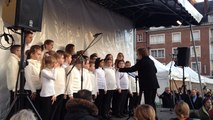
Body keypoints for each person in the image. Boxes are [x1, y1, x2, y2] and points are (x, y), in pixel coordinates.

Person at [119, 48, 160, 113]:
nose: (137, 55)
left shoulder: (141, 61)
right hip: (154, 84)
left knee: (148, 103)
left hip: (147, 85)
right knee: (152, 102)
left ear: (140, 54)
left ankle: (148, 117)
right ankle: (154, 116)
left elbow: (132, 69)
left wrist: (120, 69)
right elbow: (155, 70)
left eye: (137, 54)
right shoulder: (151, 61)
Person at [24, 45, 42, 111]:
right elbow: (28, 78)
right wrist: (33, 90)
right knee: (30, 110)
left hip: (38, 89)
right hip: (30, 90)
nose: (40, 56)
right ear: (32, 54)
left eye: (40, 54)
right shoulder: (28, 64)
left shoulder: (39, 64)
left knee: (37, 109)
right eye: (38, 54)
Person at [39, 54, 57, 120]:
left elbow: (52, 84)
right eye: (53, 64)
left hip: (50, 94)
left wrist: (54, 94)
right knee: (45, 113)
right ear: (48, 64)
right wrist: (55, 69)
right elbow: (54, 78)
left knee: (50, 113)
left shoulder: (50, 71)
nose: (54, 65)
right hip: (45, 95)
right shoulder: (44, 71)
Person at [51, 50, 66, 120]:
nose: (62, 60)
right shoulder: (54, 69)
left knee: (59, 111)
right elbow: (52, 82)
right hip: (55, 93)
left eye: (63, 58)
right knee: (53, 111)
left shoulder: (62, 69)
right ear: (56, 59)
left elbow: (64, 81)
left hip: (61, 92)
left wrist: (64, 92)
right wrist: (53, 93)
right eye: (61, 58)